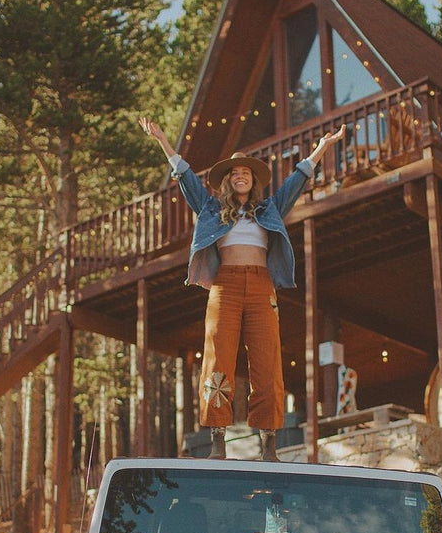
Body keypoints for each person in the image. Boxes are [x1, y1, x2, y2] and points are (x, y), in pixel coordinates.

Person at [140, 117, 345, 461]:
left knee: (267, 361)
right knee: (218, 357)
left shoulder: (270, 209)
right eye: (234, 173)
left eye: (246, 173)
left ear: (253, 180)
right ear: (227, 180)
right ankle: (217, 440)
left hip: (262, 286)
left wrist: (322, 147)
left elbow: (297, 180)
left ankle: (268, 444)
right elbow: (185, 178)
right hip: (226, 286)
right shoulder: (211, 209)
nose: (240, 176)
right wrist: (162, 140)